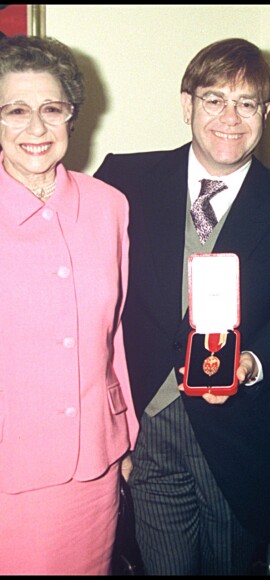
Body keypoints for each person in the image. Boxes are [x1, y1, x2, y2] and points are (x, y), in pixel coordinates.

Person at [94, 37, 270, 575]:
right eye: (214, 99)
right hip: (146, 427)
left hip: (237, 435)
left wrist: (252, 361)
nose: (230, 117)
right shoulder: (124, 180)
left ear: (266, 114)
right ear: (187, 104)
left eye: (247, 103)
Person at [0, 35, 139, 575]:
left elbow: (117, 333)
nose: (36, 128)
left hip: (92, 462)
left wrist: (126, 435)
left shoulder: (109, 206)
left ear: (71, 116)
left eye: (51, 109)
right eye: (15, 110)